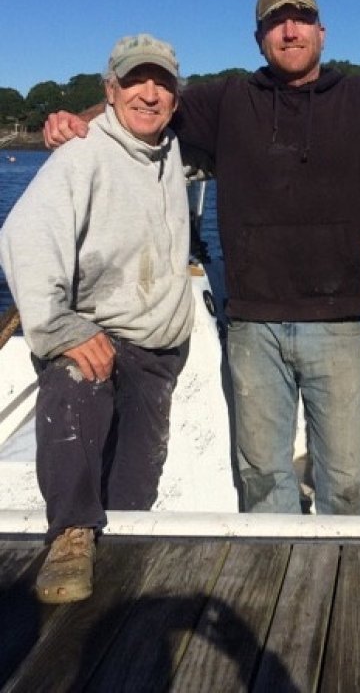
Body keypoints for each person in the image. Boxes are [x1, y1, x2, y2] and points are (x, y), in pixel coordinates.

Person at [44, 0, 360, 516]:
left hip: (340, 324)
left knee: (347, 484)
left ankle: (345, 585)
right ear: (260, 38)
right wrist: (79, 119)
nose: (290, 28)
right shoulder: (227, 100)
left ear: (321, 32)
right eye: (277, 21)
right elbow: (144, 106)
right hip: (253, 326)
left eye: (301, 17)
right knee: (263, 478)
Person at [0, 34, 193, 603]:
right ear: (110, 91)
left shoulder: (175, 150)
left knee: (135, 492)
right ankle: (70, 534)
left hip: (159, 353)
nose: (150, 94)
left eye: (162, 84)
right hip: (98, 334)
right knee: (72, 381)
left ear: (176, 99)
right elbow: (24, 238)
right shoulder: (83, 153)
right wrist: (62, 329)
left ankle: (116, 593)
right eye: (136, 80)